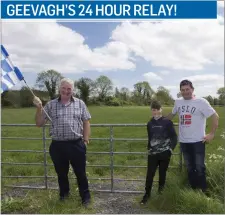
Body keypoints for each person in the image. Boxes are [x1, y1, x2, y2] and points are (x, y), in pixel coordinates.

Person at [33, 78, 91, 207]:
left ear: (73, 90)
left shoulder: (80, 103)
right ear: (59, 89)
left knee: (81, 173)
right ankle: (64, 196)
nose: (66, 91)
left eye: (69, 88)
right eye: (64, 88)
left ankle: (85, 198)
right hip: (58, 146)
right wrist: (38, 108)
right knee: (61, 173)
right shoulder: (51, 105)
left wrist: (85, 140)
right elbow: (39, 123)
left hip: (76, 144)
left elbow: (86, 121)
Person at [167, 79, 219, 193]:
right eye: (183, 90)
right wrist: (160, 121)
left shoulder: (201, 102)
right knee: (189, 167)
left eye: (187, 89)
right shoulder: (178, 102)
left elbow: (215, 116)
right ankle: (193, 189)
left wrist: (211, 133)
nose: (185, 92)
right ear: (180, 91)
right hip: (184, 141)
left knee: (199, 167)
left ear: (192, 89)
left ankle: (204, 191)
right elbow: (172, 114)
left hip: (198, 141)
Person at [141, 100, 178, 204]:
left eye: (157, 109)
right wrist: (149, 149)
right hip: (152, 154)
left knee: (162, 174)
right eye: (153, 110)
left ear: (161, 109)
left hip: (165, 153)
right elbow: (150, 138)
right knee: (150, 175)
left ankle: (160, 194)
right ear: (151, 110)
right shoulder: (150, 123)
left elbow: (174, 137)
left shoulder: (167, 122)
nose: (155, 112)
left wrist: (170, 149)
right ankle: (146, 195)